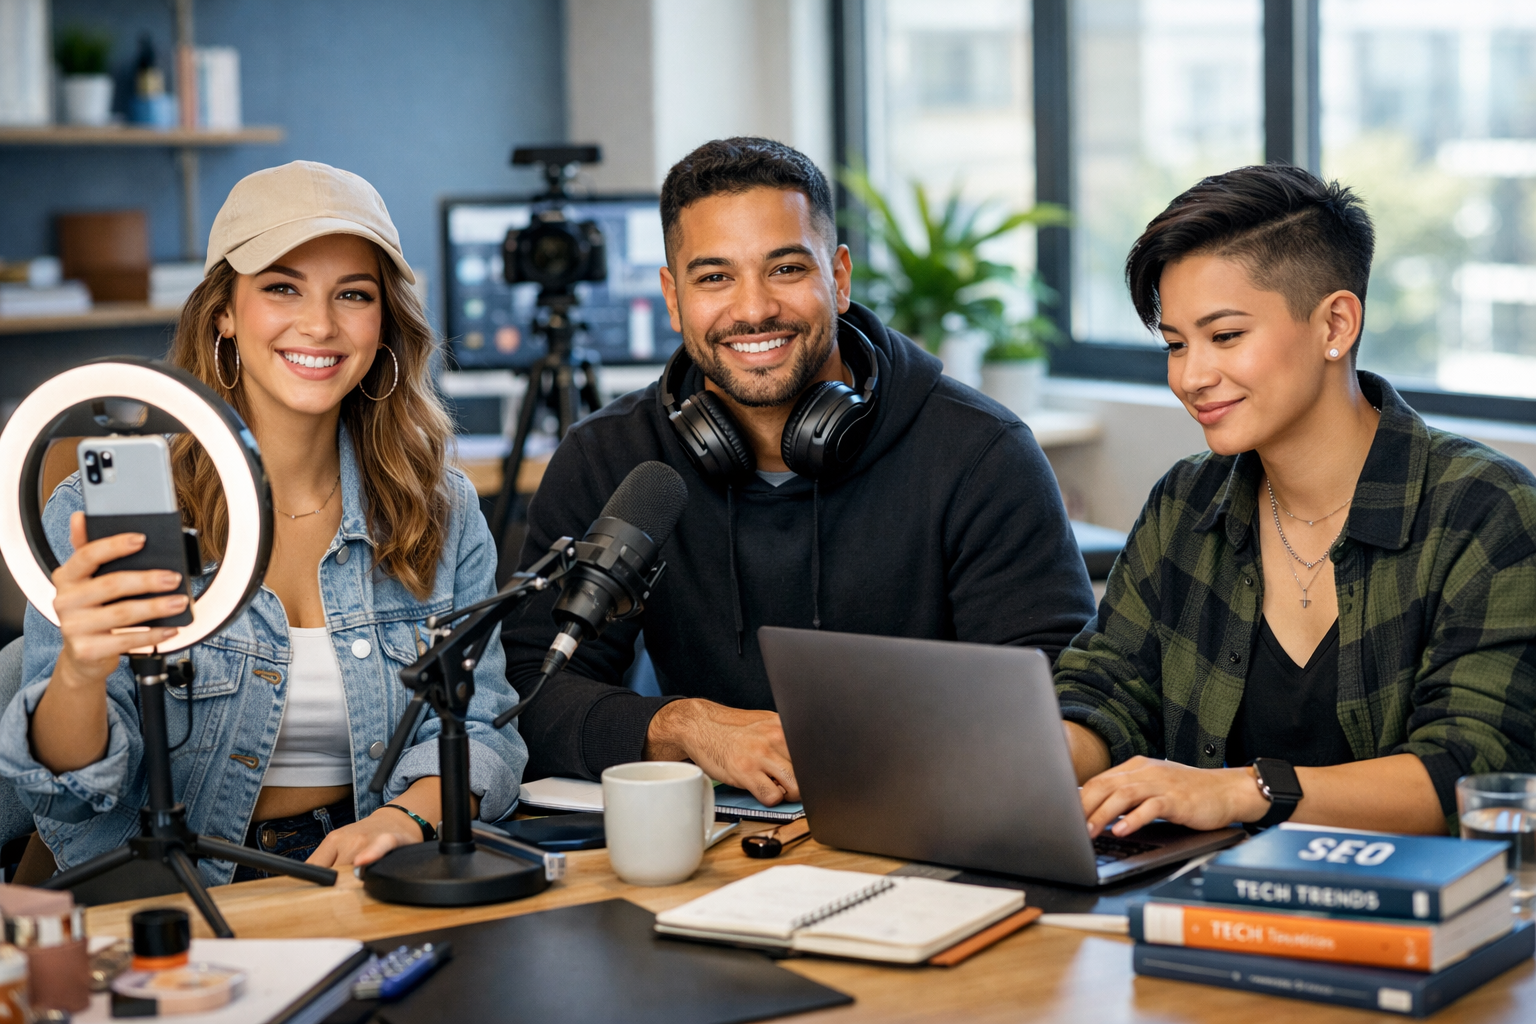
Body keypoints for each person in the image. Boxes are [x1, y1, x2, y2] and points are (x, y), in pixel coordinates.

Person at [504, 137, 1095, 804]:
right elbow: (528, 691)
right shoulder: (609, 457)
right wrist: (688, 726)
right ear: (673, 298)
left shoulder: (980, 452)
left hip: (928, 824)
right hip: (714, 845)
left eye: (785, 269)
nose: (753, 309)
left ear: (838, 278)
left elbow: (1064, 698)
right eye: (714, 277)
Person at [0, 161, 525, 884]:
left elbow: (484, 729)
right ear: (224, 312)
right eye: (282, 287)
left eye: (353, 294)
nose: (320, 324)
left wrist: (402, 819)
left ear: (384, 325)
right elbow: (68, 796)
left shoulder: (440, 507)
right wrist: (82, 671)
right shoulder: (105, 516)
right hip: (175, 889)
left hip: (368, 874)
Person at [1054, 164, 1536, 838]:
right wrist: (1037, 755)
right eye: (1174, 344)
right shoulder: (1187, 501)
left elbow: (1468, 771)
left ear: (1335, 323)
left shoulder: (1487, 510)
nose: (1191, 377)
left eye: (1225, 337)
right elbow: (1106, 689)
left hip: (1418, 921)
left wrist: (1242, 791)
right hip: (1205, 907)